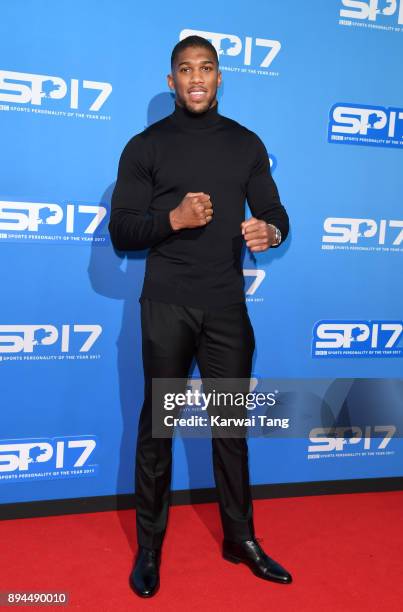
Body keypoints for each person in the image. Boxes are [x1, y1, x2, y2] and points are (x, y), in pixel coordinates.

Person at [108, 34, 292, 598]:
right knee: (157, 430)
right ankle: (150, 547)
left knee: (231, 430)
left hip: (227, 308)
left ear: (219, 77)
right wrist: (174, 219)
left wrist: (273, 228)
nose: (195, 79)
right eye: (184, 70)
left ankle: (240, 537)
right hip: (166, 305)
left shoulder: (245, 144)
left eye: (206, 69)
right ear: (171, 81)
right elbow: (122, 231)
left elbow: (274, 208)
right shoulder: (145, 146)